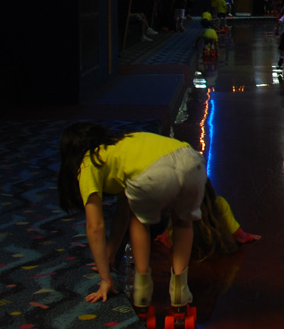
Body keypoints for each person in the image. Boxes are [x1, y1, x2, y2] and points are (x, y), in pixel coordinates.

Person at [57, 125, 207, 311]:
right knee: (183, 222)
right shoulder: (122, 146)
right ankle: (180, 290)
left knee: (139, 220)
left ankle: (142, 290)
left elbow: (95, 226)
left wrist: (105, 279)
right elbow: (121, 214)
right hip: (192, 161)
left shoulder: (89, 161)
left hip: (154, 173)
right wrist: (110, 256)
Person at [155, 178, 258, 258]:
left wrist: (162, 238)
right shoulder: (220, 203)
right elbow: (237, 233)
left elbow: (169, 235)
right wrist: (248, 237)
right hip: (216, 248)